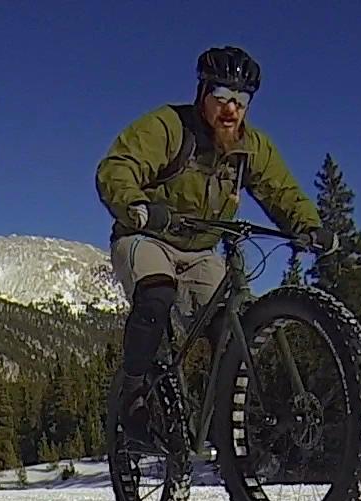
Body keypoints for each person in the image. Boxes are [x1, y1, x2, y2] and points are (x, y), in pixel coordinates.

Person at [95, 45, 337, 449]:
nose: (231, 109)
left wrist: (308, 227)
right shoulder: (168, 127)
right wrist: (136, 205)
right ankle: (133, 394)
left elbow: (282, 191)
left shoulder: (250, 147)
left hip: (201, 250)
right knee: (156, 292)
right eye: (221, 97)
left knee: (234, 325)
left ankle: (229, 427)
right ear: (202, 93)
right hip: (146, 236)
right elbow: (118, 167)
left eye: (241, 101)